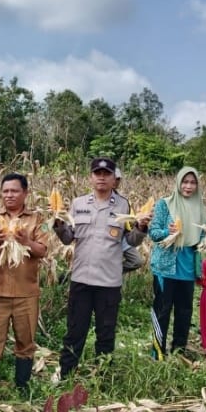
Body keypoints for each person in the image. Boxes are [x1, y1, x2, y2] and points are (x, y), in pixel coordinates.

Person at [53, 156, 148, 379]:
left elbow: (132, 240)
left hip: (109, 282)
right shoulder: (78, 204)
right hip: (82, 279)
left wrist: (142, 228)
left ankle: (103, 376)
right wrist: (58, 224)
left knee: (105, 332)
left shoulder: (123, 205)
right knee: (75, 330)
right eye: (98, 174)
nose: (102, 178)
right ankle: (66, 374)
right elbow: (68, 239)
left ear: (114, 178)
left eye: (107, 174)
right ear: (91, 177)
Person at [0, 172, 48, 391]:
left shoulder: (37, 219)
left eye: (15, 190)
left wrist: (25, 241)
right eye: (5, 191)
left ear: (25, 193)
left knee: (26, 342)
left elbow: (43, 250)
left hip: (26, 293)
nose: (9, 195)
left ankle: (22, 386)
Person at [148, 166, 206, 358]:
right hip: (166, 267)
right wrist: (169, 232)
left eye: (192, 182)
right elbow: (153, 232)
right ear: (178, 183)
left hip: (188, 267)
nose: (188, 186)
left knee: (184, 312)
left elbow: (204, 235)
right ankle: (157, 353)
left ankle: (179, 351)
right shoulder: (164, 204)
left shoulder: (200, 208)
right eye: (185, 182)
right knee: (162, 310)